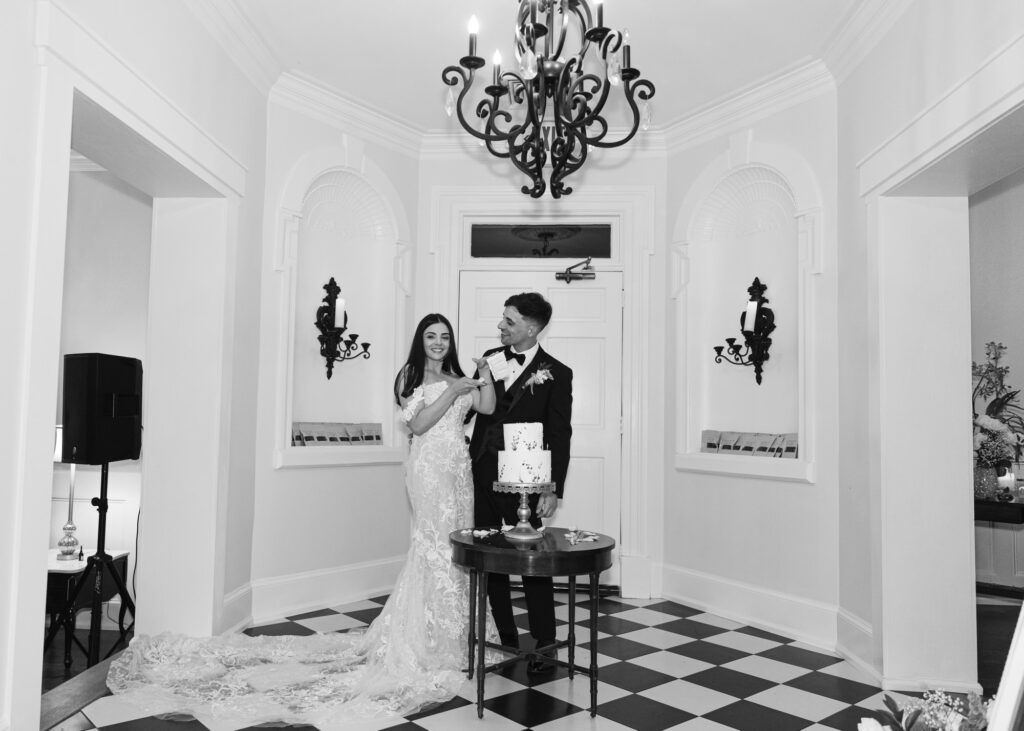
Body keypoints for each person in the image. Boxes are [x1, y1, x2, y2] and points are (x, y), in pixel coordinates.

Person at [105, 313, 497, 728]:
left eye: (444, 336)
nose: (438, 342)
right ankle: (424, 639)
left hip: (458, 472)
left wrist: (484, 373)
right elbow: (419, 423)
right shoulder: (410, 377)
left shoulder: (460, 377)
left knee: (457, 549)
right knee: (432, 546)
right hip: (429, 471)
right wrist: (452, 389)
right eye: (431, 336)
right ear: (420, 341)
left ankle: (458, 636)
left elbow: (486, 406)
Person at [469, 292, 573, 675]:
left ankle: (546, 644)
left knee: (533, 564)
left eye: (509, 321)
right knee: (490, 559)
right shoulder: (490, 360)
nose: (501, 326)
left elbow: (560, 434)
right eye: (502, 319)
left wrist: (552, 487)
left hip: (525, 481)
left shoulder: (557, 373)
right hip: (481, 476)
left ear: (531, 327)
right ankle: (505, 640)